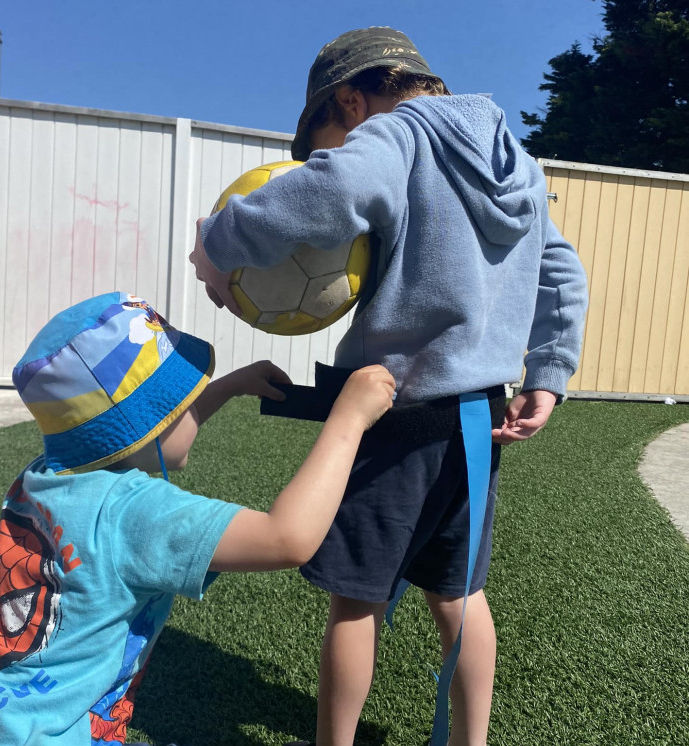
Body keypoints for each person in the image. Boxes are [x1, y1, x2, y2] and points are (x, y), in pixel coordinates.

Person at [190, 26, 588, 746]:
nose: (329, 155)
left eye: (326, 137)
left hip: (394, 409)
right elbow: (560, 270)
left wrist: (216, 246)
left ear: (352, 97)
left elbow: (332, 189)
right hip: (477, 422)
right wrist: (550, 373)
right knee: (460, 598)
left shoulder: (396, 133)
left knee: (356, 602)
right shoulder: (517, 163)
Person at [0, 291, 395, 746]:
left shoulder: (42, 477)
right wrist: (349, 419)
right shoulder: (135, 513)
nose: (191, 405)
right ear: (147, 428)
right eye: (181, 402)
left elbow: (156, 436)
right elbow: (288, 537)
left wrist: (230, 385)